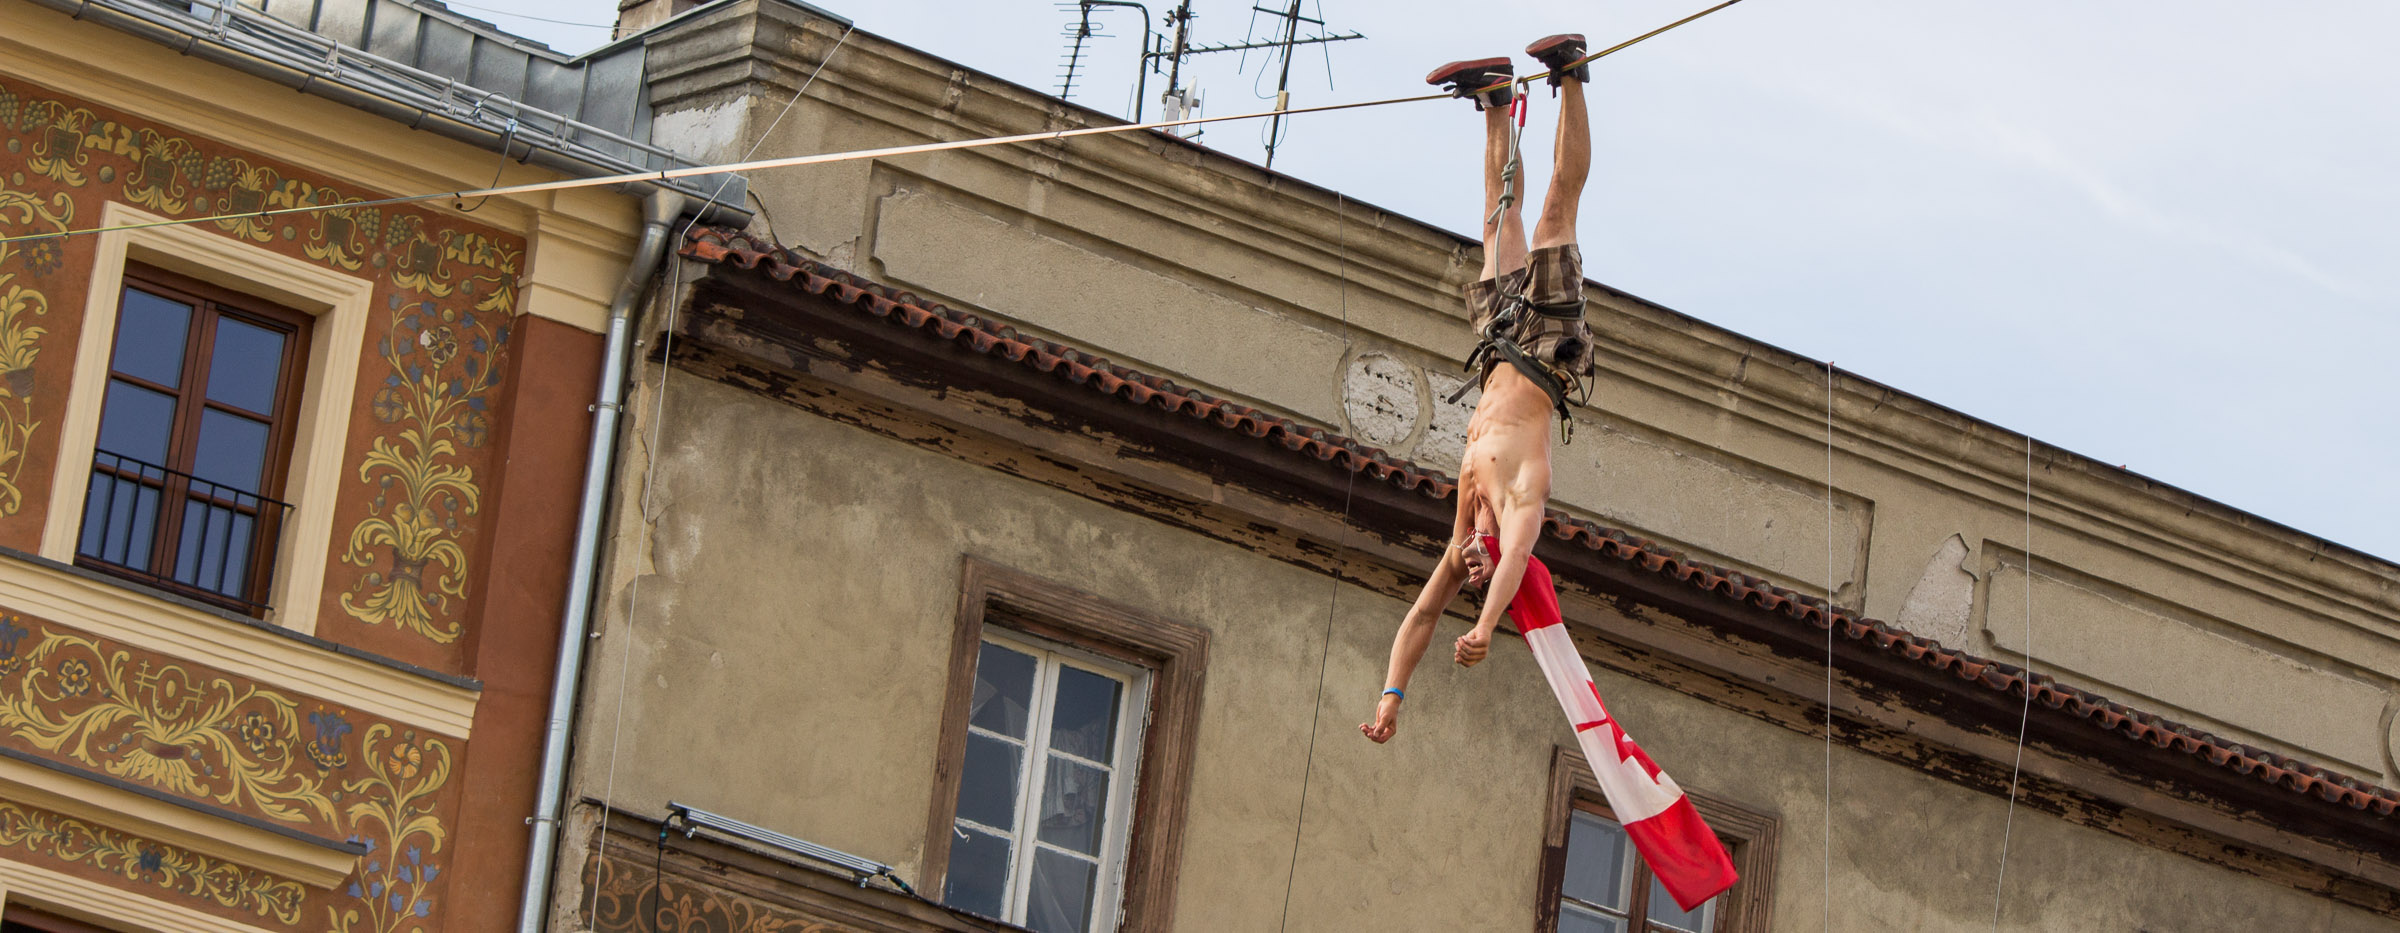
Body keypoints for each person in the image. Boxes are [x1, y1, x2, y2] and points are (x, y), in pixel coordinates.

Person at [1361, 34, 1597, 745]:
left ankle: (1496, 101)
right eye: (1478, 568)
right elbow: (1516, 559)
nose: (1468, 561)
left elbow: (1422, 616)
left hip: (1500, 345)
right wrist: (1489, 623)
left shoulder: (1463, 525)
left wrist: (1392, 695)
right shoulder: (1523, 502)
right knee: (1557, 209)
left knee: (1498, 220)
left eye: (1466, 568)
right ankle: (1574, 78)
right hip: (1547, 347)